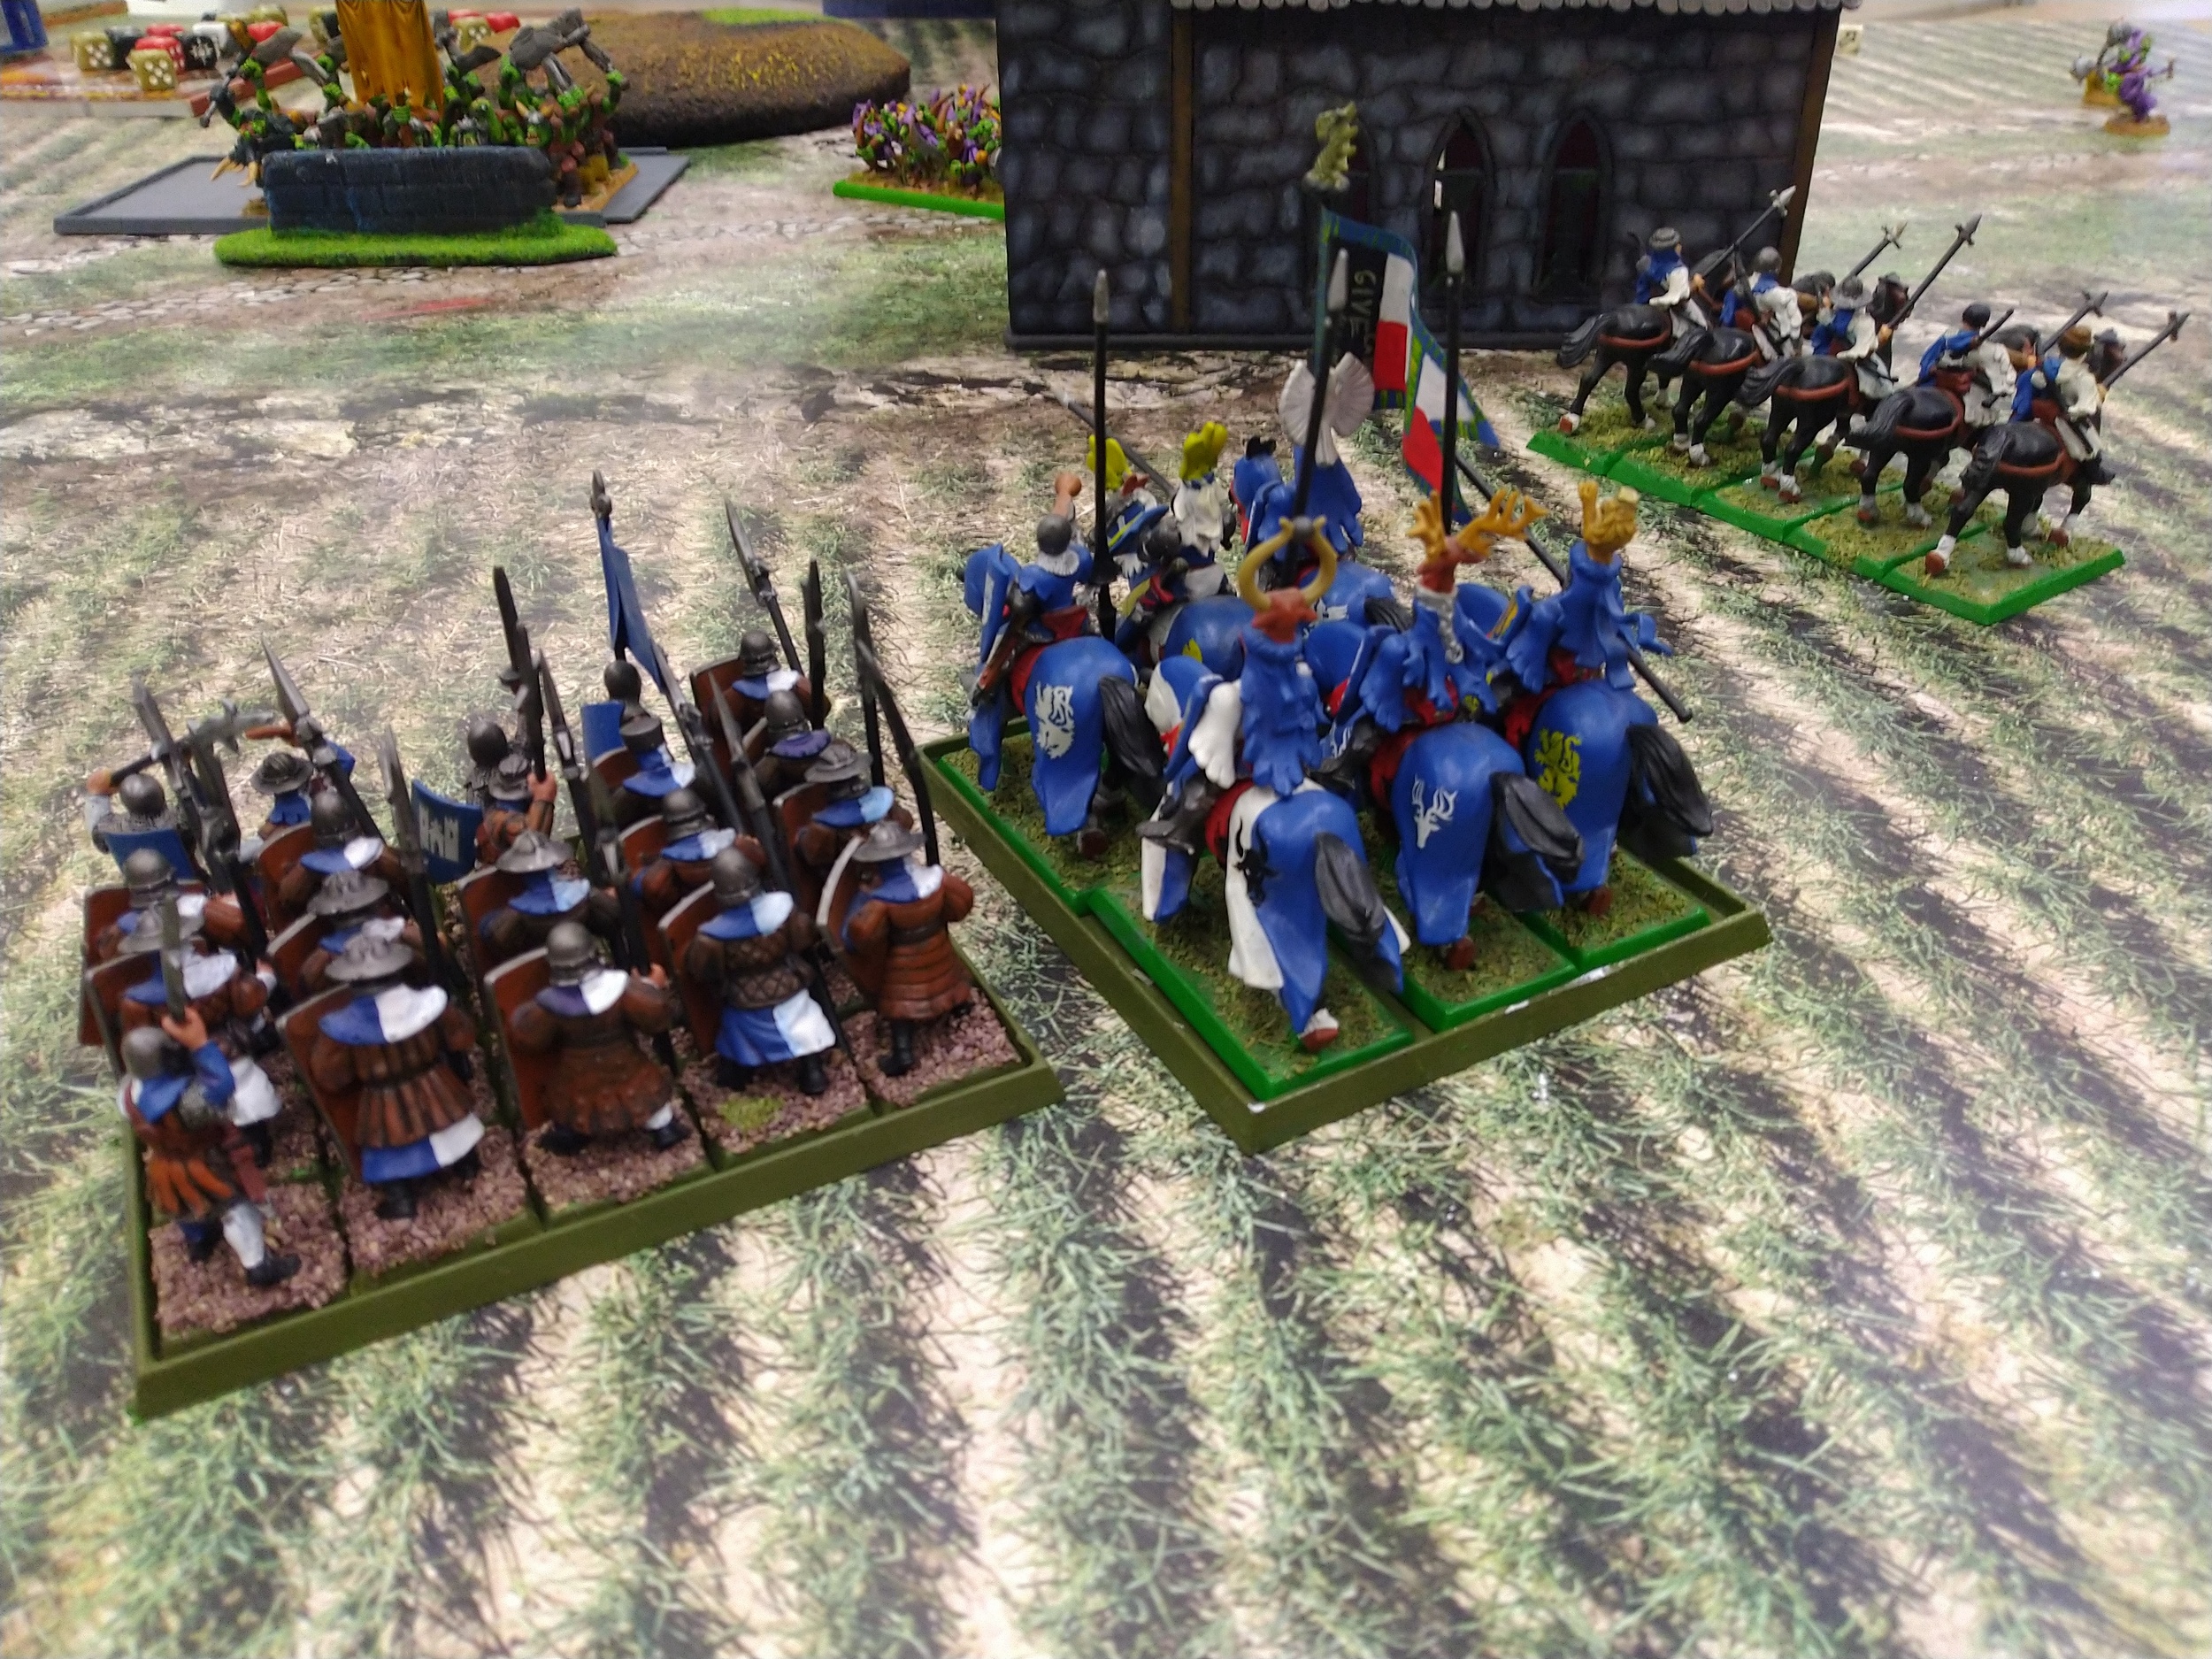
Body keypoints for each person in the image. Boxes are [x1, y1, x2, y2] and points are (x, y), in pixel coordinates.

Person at [305, 931, 484, 1219]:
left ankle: (407, 1195)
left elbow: (331, 1073)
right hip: (422, 1085)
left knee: (393, 1139)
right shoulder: (424, 1003)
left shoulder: (344, 1026)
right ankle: (463, 1166)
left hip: (394, 1091)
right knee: (438, 1125)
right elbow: (459, 1034)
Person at [119, 1010, 299, 1288]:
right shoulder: (186, 1103)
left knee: (183, 1207)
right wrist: (201, 1046)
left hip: (163, 1165)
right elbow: (221, 1087)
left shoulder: (127, 1097)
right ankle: (258, 1266)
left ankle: (200, 1241)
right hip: (203, 1163)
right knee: (237, 1210)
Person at [117, 913, 283, 1167]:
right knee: (230, 1090)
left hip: (208, 1053)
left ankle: (254, 1143)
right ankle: (236, 1142)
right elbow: (251, 998)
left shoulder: (136, 1001)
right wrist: (266, 978)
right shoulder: (225, 971)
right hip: (195, 1057)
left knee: (240, 1090)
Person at [505, 920, 684, 1152]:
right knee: (641, 1089)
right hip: (620, 1058)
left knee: (576, 1098)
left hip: (580, 1065)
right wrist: (650, 987)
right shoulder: (621, 987)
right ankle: (664, 1128)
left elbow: (528, 1036)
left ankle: (571, 1134)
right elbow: (656, 1014)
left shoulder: (550, 1004)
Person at [680, 846, 834, 1096]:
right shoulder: (783, 909)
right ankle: (812, 1071)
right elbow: (804, 938)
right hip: (787, 983)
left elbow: (702, 969)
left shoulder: (712, 936)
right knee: (803, 1023)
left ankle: (736, 1075)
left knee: (735, 1032)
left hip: (745, 996)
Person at [841, 821, 975, 1077]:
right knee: (948, 974)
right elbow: (962, 902)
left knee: (900, 1004)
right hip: (938, 944)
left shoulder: (880, 901)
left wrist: (861, 898)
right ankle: (959, 1005)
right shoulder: (937, 880)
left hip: (905, 961)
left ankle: (903, 1053)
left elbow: (856, 937)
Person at [475, 828, 620, 970]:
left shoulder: (518, 914)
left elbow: (496, 938)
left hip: (540, 931)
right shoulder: (583, 894)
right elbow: (613, 912)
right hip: (577, 923)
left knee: (488, 925)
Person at [1809, 276, 1894, 404]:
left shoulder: (1832, 314)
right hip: (1841, 355)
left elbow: (1819, 335)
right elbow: (1862, 350)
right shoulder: (1862, 321)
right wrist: (1840, 356)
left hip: (1830, 353)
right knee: (1885, 387)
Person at [1633, 227, 1705, 342]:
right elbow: (1678, 297)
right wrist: (1695, 285)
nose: (1680, 247)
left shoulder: (1647, 263)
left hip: (1644, 301)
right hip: (1665, 305)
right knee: (1701, 327)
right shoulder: (1678, 271)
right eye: (1677, 245)